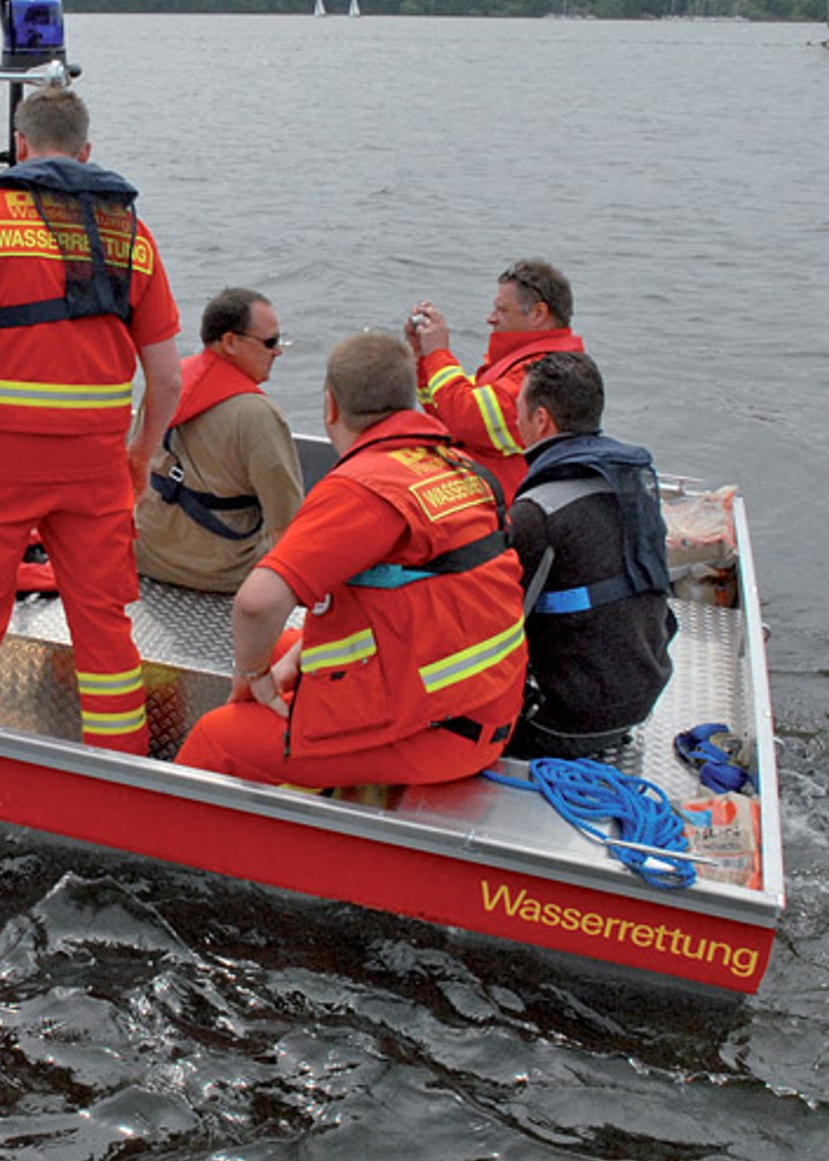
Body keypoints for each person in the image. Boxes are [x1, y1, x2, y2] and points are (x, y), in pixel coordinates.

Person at [0, 86, 183, 755]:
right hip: (96, 465)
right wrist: (140, 456)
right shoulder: (133, 235)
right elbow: (166, 378)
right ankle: (124, 780)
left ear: (19, 146)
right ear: (86, 152)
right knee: (105, 630)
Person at [176, 332, 527, 788]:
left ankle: (166, 847)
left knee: (220, 735)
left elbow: (255, 604)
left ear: (331, 407)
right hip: (482, 704)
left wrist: (252, 676)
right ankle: (290, 785)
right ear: (409, 404)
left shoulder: (363, 489)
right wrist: (274, 667)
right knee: (284, 648)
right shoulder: (461, 469)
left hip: (441, 733)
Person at [509, 352, 677, 758]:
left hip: (564, 723)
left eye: (519, 411)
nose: (515, 422)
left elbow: (493, 627)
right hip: (641, 697)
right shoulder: (634, 487)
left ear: (541, 420)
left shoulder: (538, 512)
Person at [134, 287, 303, 593]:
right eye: (270, 342)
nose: (278, 351)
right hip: (222, 575)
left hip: (147, 556)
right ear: (230, 342)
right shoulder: (259, 416)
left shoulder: (167, 383)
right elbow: (287, 523)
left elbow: (132, 469)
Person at [405, 258, 584, 499]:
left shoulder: (545, 375)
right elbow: (448, 415)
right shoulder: (515, 363)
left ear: (538, 313)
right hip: (482, 493)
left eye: (502, 310)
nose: (491, 318)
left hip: (503, 512)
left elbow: (467, 420)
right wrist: (424, 359)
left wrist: (438, 354)